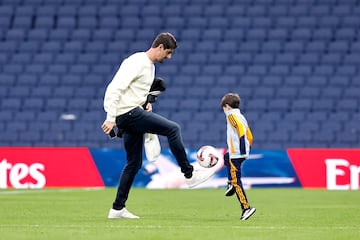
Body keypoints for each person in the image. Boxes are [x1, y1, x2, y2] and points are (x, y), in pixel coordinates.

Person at [101, 32, 216, 219]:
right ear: (160, 47)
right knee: (173, 129)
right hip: (127, 113)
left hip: (132, 111)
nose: (169, 57)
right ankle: (189, 174)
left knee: (134, 163)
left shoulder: (149, 66)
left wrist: (146, 101)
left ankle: (117, 208)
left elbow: (134, 90)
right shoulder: (136, 62)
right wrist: (110, 117)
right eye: (168, 52)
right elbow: (115, 88)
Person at [220, 93, 256, 220]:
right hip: (239, 152)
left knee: (237, 182)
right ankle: (230, 183)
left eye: (223, 108)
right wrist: (247, 148)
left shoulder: (231, 116)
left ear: (227, 107)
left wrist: (241, 148)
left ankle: (246, 208)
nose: (223, 111)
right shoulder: (241, 116)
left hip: (237, 153)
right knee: (226, 156)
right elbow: (249, 134)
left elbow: (241, 130)